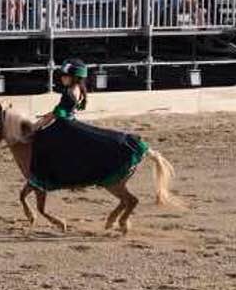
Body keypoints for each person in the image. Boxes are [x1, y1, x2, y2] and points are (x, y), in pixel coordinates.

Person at [27, 59, 149, 191]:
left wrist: (37, 126)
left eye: (65, 75)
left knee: (41, 140)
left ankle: (44, 178)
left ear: (75, 77)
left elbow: (57, 113)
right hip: (68, 122)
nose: (62, 78)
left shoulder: (70, 92)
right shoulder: (77, 88)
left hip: (64, 126)